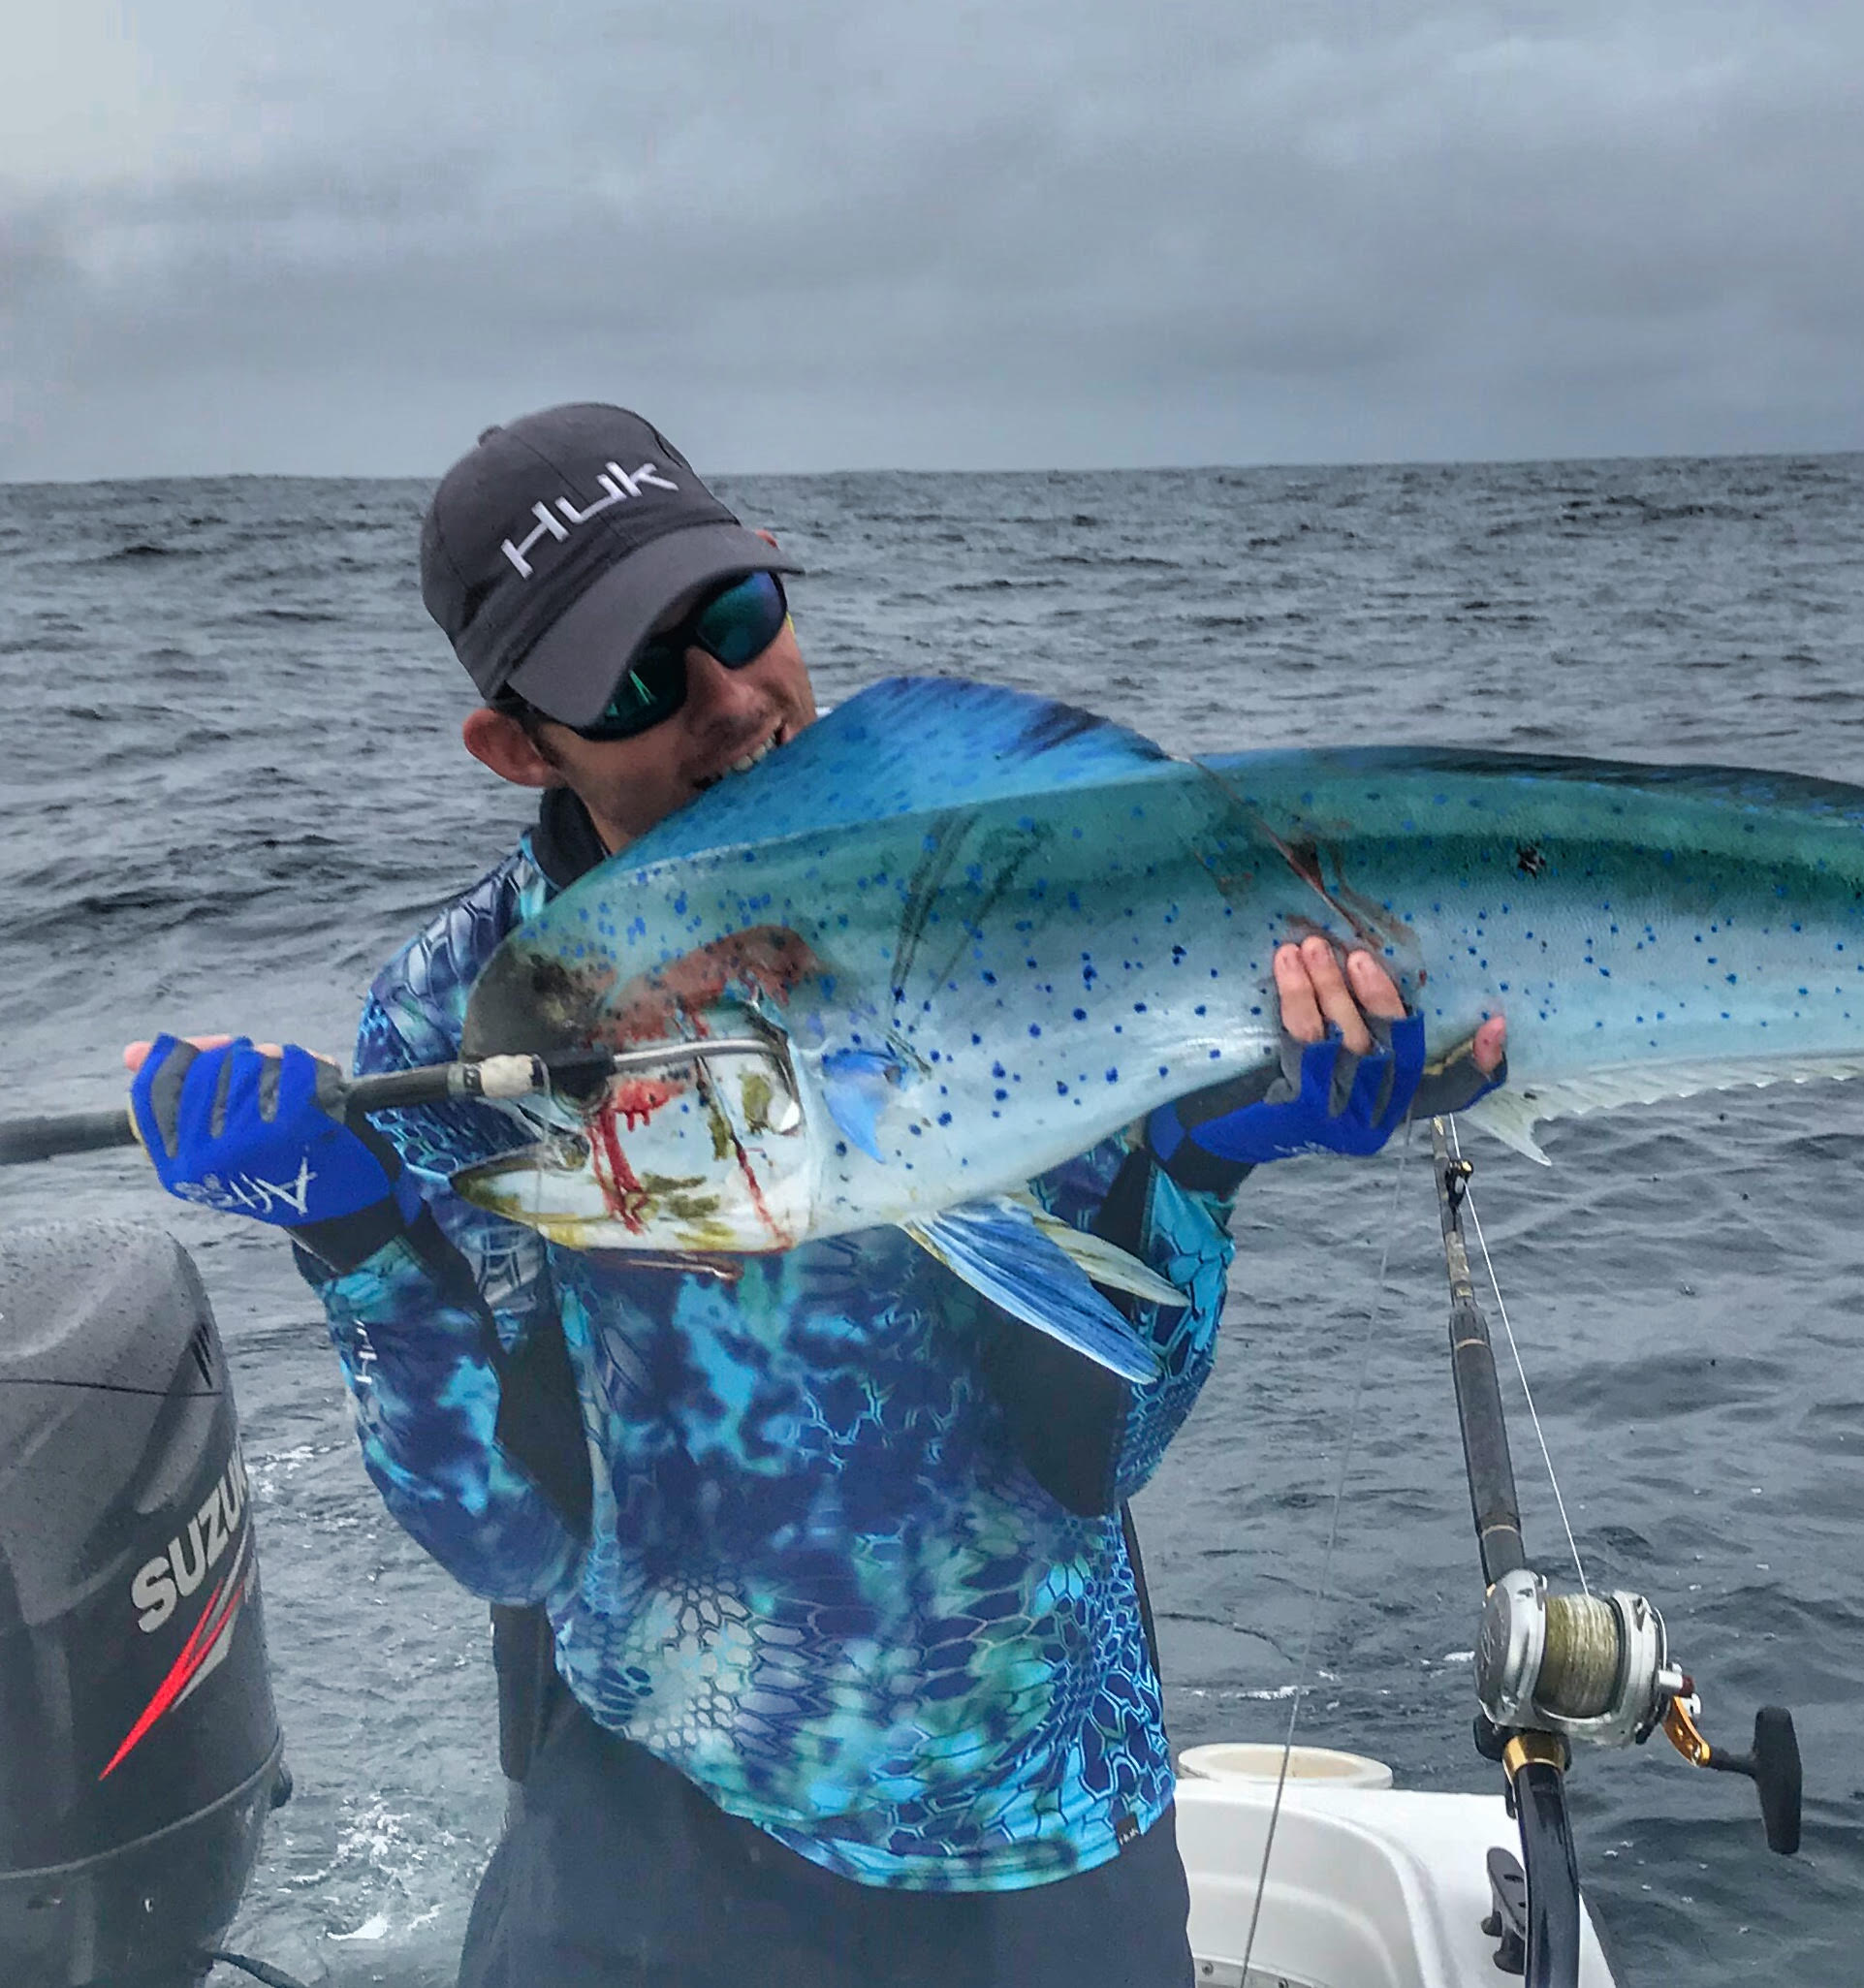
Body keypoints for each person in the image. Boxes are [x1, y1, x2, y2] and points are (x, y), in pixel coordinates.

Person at [123, 403, 1505, 1987]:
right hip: (652, 1808)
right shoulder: (461, 1016)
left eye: (737, 619)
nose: (728, 700)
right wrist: (356, 1236)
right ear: (517, 744)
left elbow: (1098, 1448)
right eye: (637, 679)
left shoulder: (1004, 894)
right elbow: (504, 1539)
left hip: (1032, 1803)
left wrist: (1202, 1165)